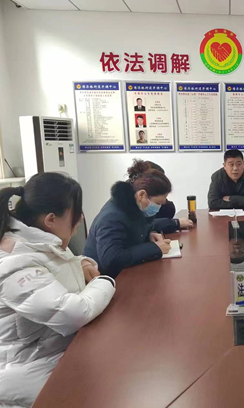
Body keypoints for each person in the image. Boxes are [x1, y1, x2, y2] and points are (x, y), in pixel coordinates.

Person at [0, 173, 115, 407]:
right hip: (26, 369)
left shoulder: (42, 240)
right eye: (76, 213)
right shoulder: (13, 261)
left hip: (55, 352)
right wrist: (106, 281)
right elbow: (72, 312)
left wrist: (83, 262)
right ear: (51, 219)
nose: (80, 220)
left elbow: (57, 265)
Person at [85, 160, 181, 278]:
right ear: (142, 195)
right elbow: (111, 259)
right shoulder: (112, 217)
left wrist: (149, 234)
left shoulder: (134, 206)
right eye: (158, 203)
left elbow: (134, 230)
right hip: (106, 279)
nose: (159, 207)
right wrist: (154, 248)